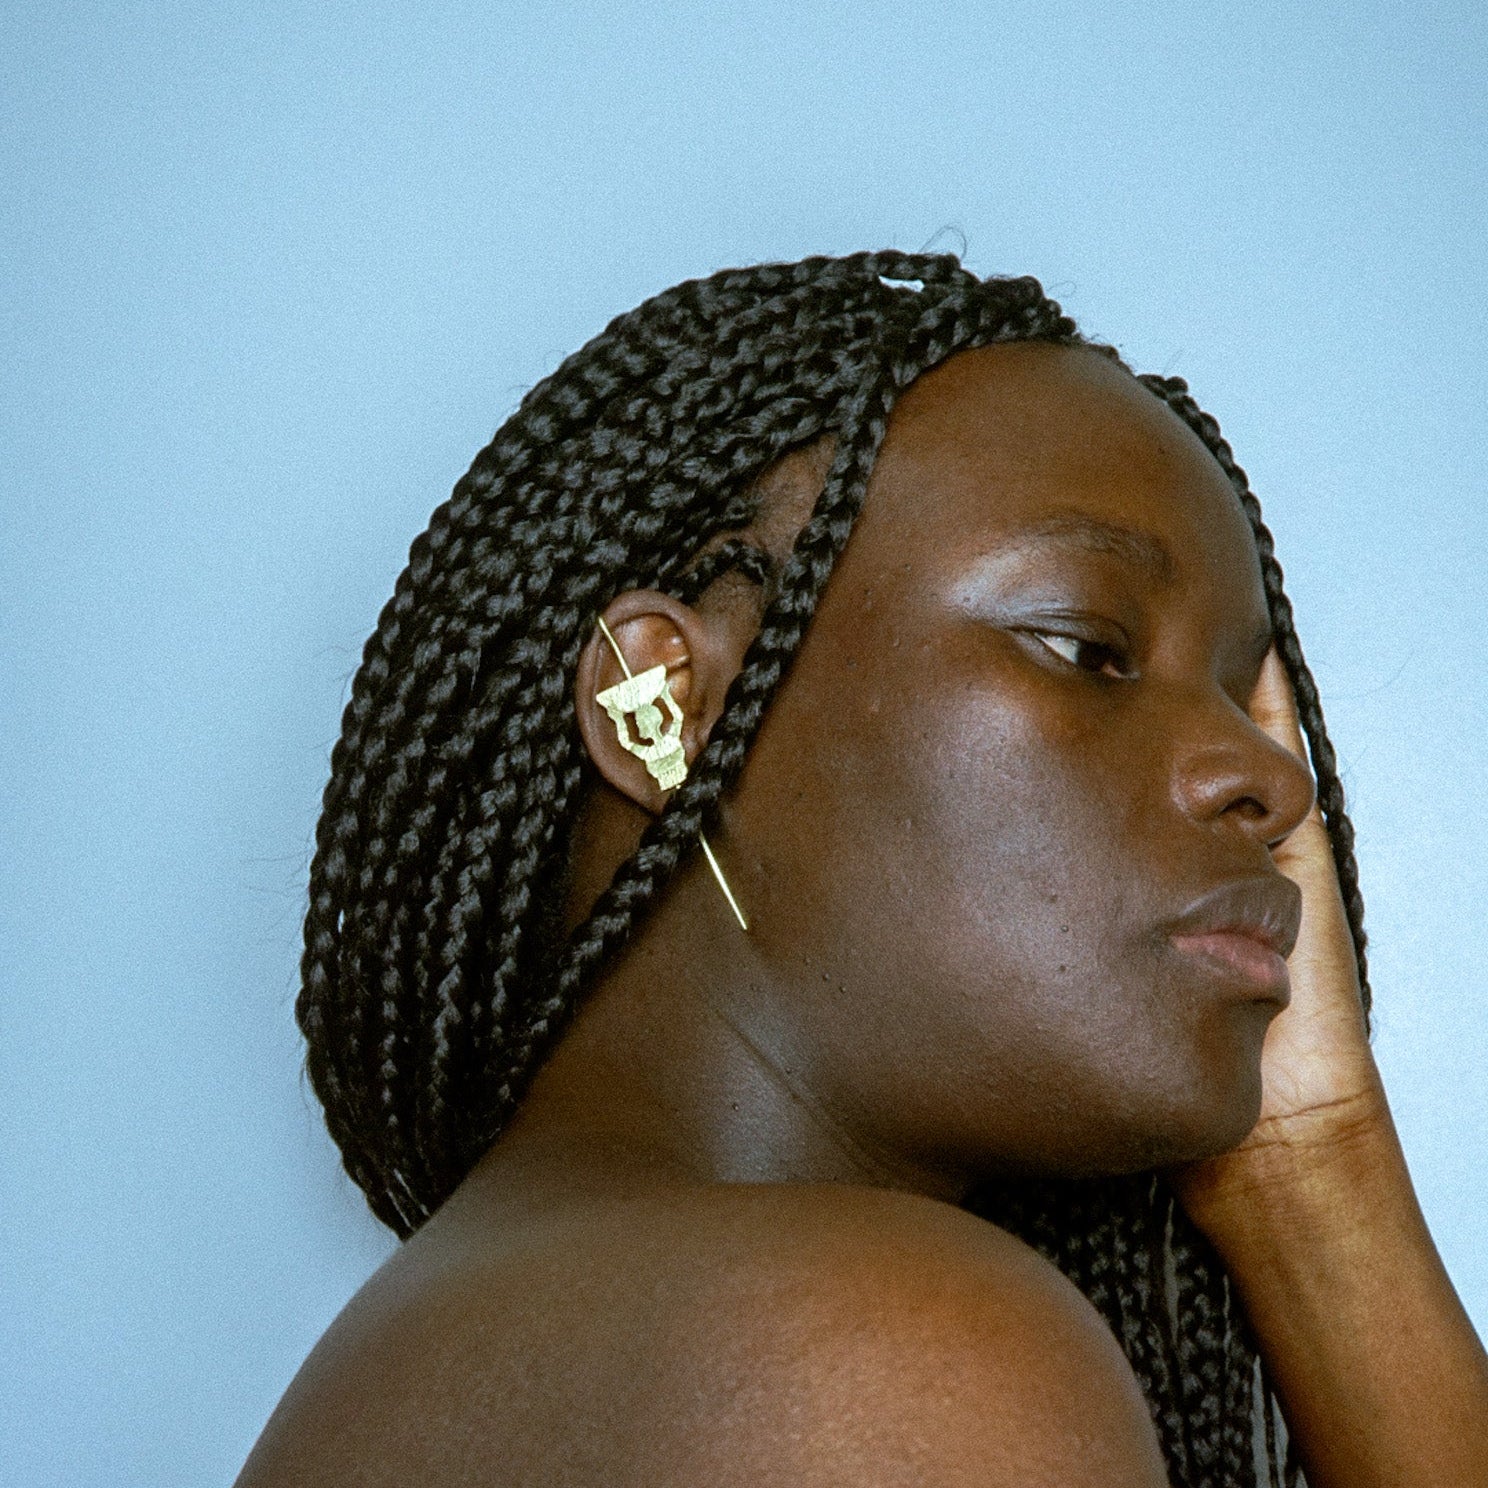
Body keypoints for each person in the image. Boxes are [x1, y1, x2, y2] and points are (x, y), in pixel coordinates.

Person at [235, 253, 1488, 1487]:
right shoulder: (883, 1351)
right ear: (664, 707)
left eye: (1238, 693)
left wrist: (1309, 1168)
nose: (1273, 782)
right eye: (1087, 649)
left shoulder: (453, 1345)